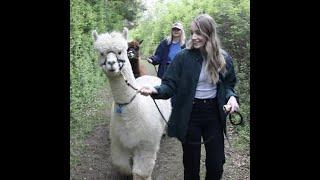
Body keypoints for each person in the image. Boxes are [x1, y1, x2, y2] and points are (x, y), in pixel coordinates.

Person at [139, 14, 239, 180]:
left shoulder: (223, 58)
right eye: (192, 32)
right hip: (189, 113)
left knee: (216, 166)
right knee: (191, 166)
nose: (194, 37)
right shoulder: (182, 57)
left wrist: (232, 98)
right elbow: (169, 85)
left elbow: (228, 85)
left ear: (209, 33)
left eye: (199, 33)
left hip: (214, 114)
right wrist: (155, 90)